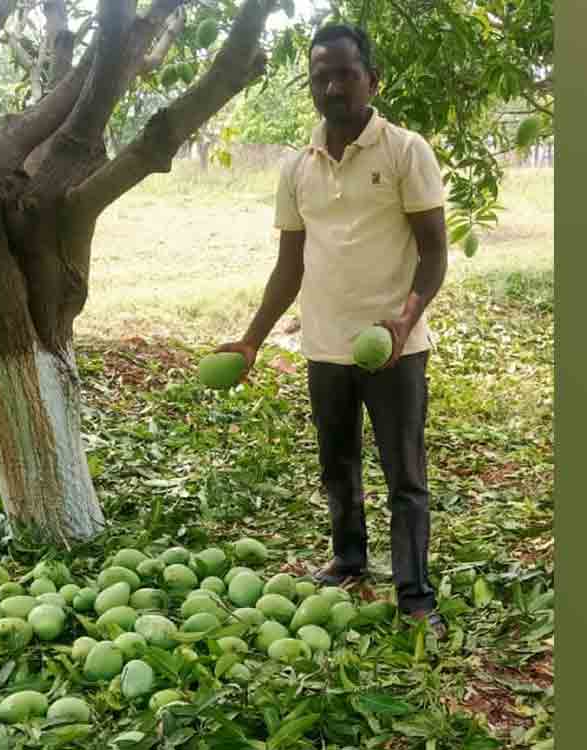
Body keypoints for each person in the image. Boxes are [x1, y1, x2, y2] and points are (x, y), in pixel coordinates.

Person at [216, 24, 449, 638]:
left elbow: (434, 253)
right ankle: (349, 557)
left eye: (345, 73)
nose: (332, 86)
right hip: (324, 345)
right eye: (321, 75)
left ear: (372, 80)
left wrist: (407, 317)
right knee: (337, 463)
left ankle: (414, 592)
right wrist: (251, 339)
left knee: (405, 475)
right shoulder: (297, 169)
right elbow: (289, 266)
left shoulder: (405, 151)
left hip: (395, 346)